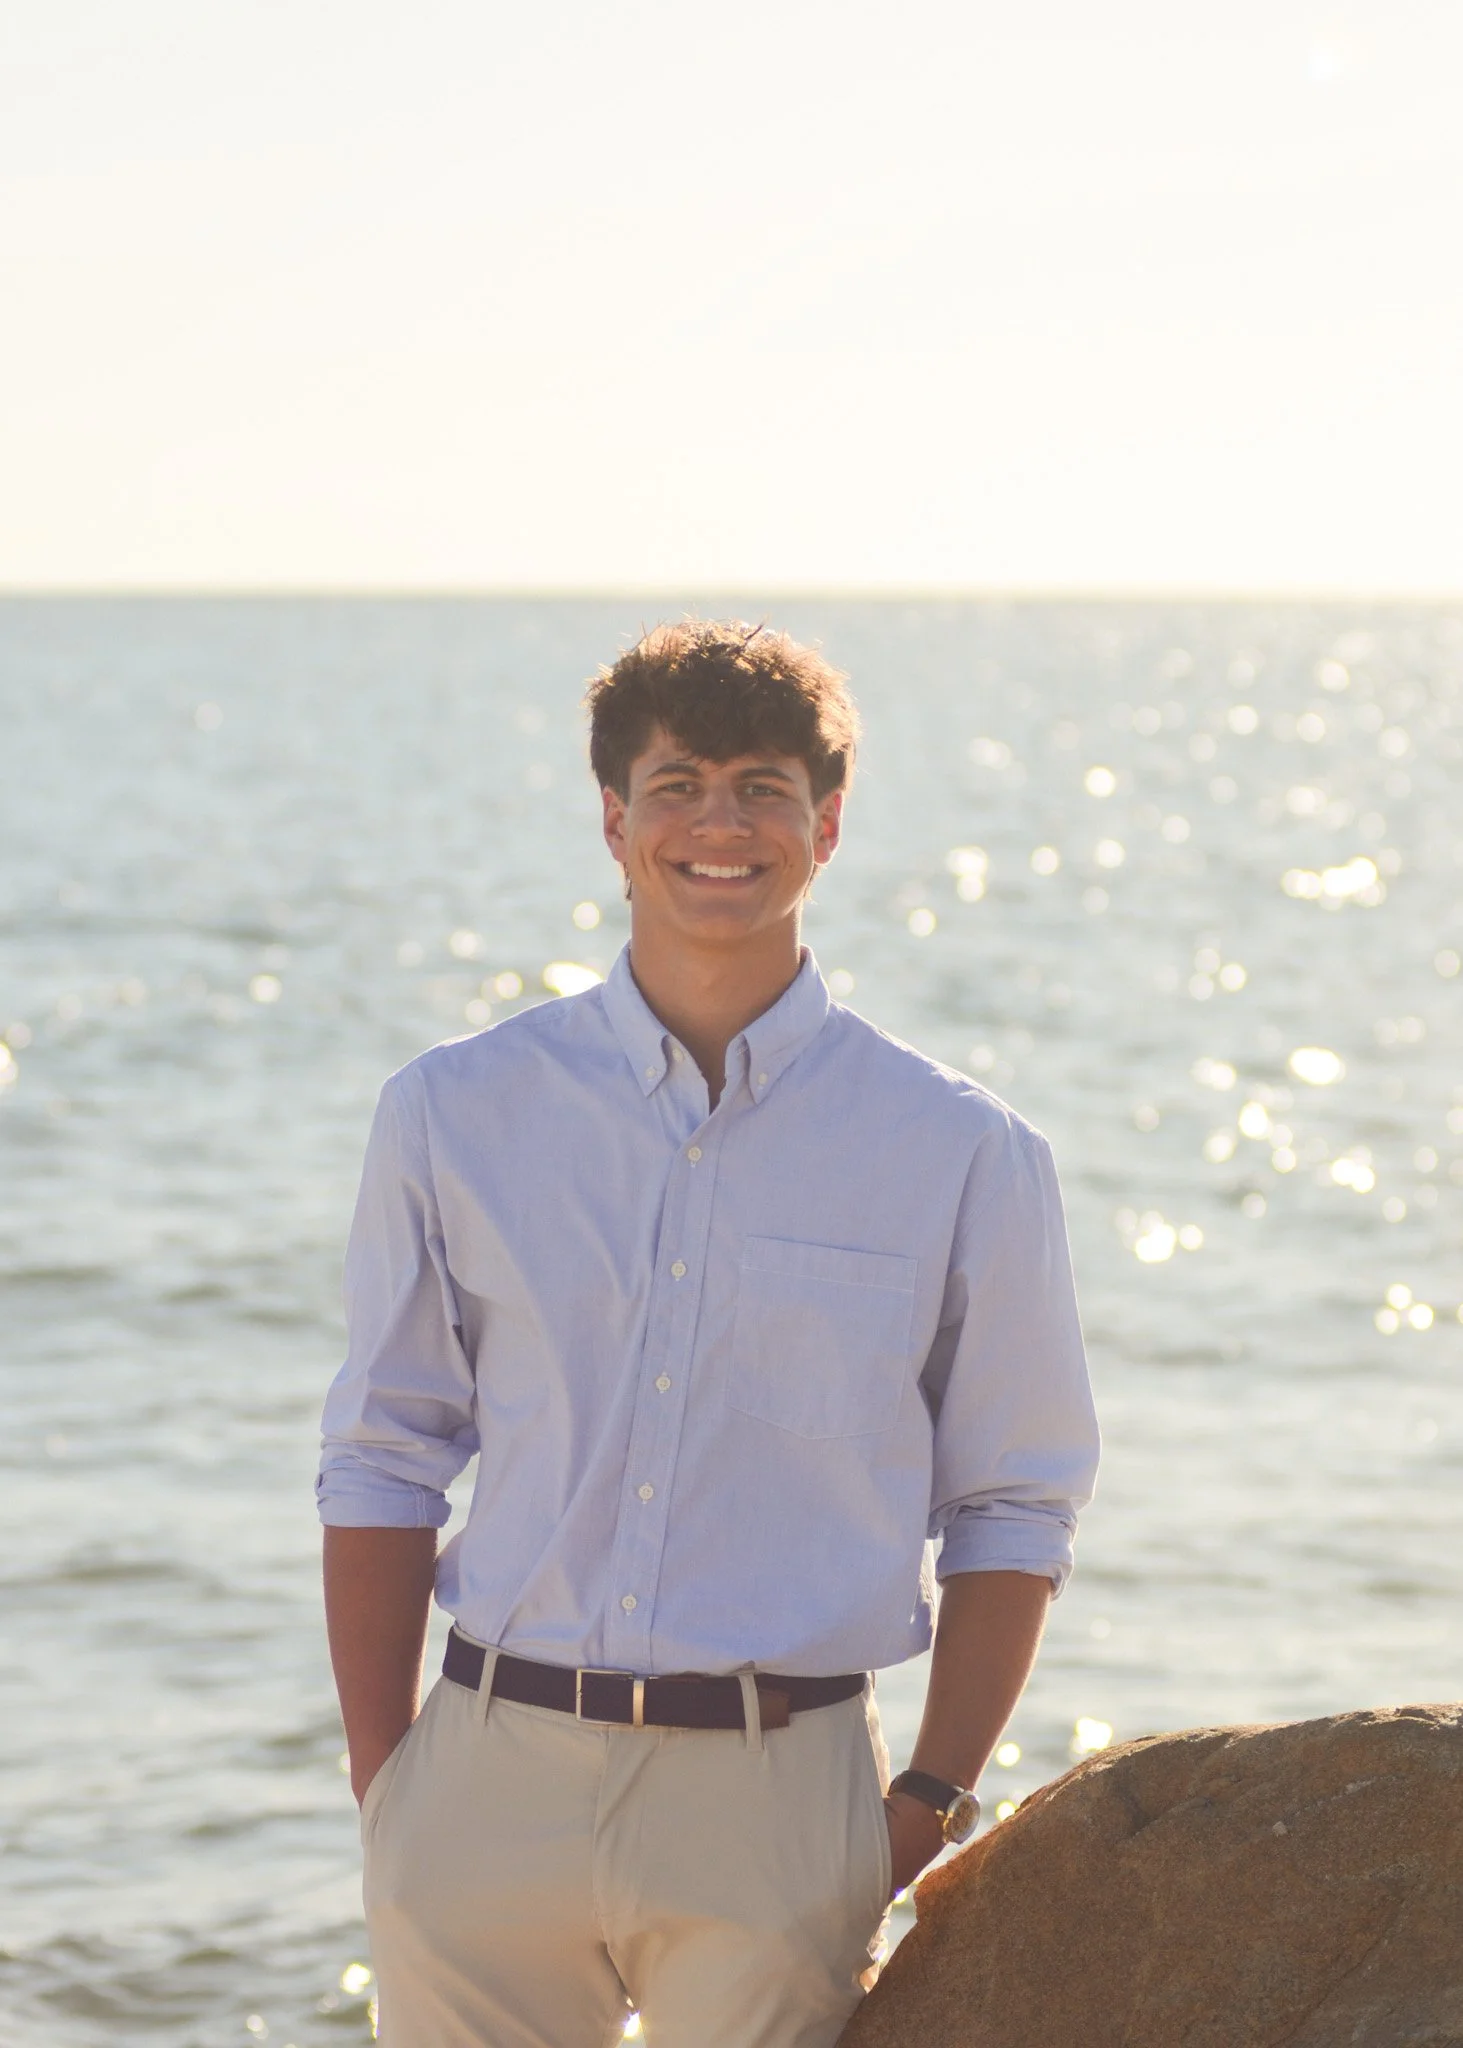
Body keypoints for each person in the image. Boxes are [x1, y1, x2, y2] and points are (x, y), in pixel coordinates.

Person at [318, 618, 1100, 2048]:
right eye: (676, 786)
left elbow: (1009, 1503)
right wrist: (391, 1790)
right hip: (485, 1775)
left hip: (776, 1794)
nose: (718, 825)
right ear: (614, 823)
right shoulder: (453, 1113)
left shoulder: (960, 1152)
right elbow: (384, 1455)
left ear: (828, 825)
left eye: (761, 787)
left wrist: (923, 1798)